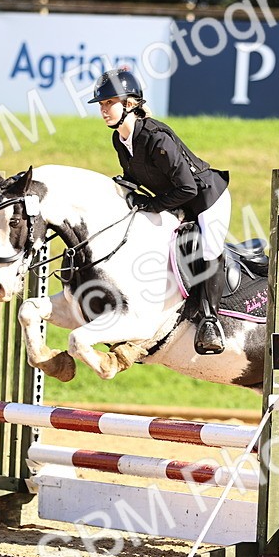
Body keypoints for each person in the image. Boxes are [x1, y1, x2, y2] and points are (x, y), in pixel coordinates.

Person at [89, 68, 231, 355]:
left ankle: (210, 321)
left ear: (130, 104)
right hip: (175, 200)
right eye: (102, 104)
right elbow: (137, 177)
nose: (103, 110)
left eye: (109, 103)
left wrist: (151, 205)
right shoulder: (120, 139)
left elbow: (188, 188)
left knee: (209, 248)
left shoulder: (156, 138)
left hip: (207, 198)